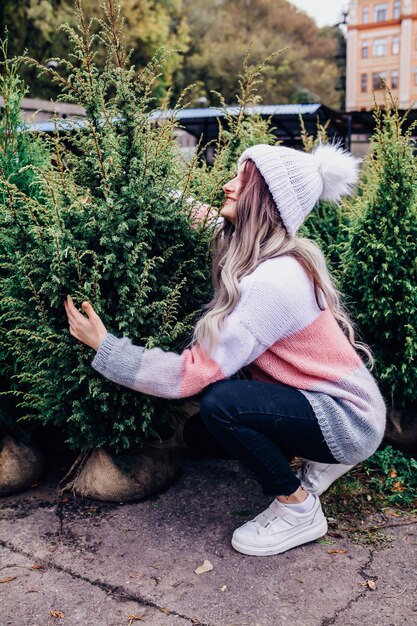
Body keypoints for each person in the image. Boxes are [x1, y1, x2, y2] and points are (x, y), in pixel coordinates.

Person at [64, 142, 386, 557]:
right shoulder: (260, 251)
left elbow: (191, 373)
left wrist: (107, 348)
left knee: (221, 404)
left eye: (242, 179)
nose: (227, 184)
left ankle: (298, 510)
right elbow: (204, 219)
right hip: (336, 403)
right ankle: (323, 461)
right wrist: (129, 179)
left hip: (347, 419)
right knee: (203, 436)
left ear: (265, 198)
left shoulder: (273, 283)